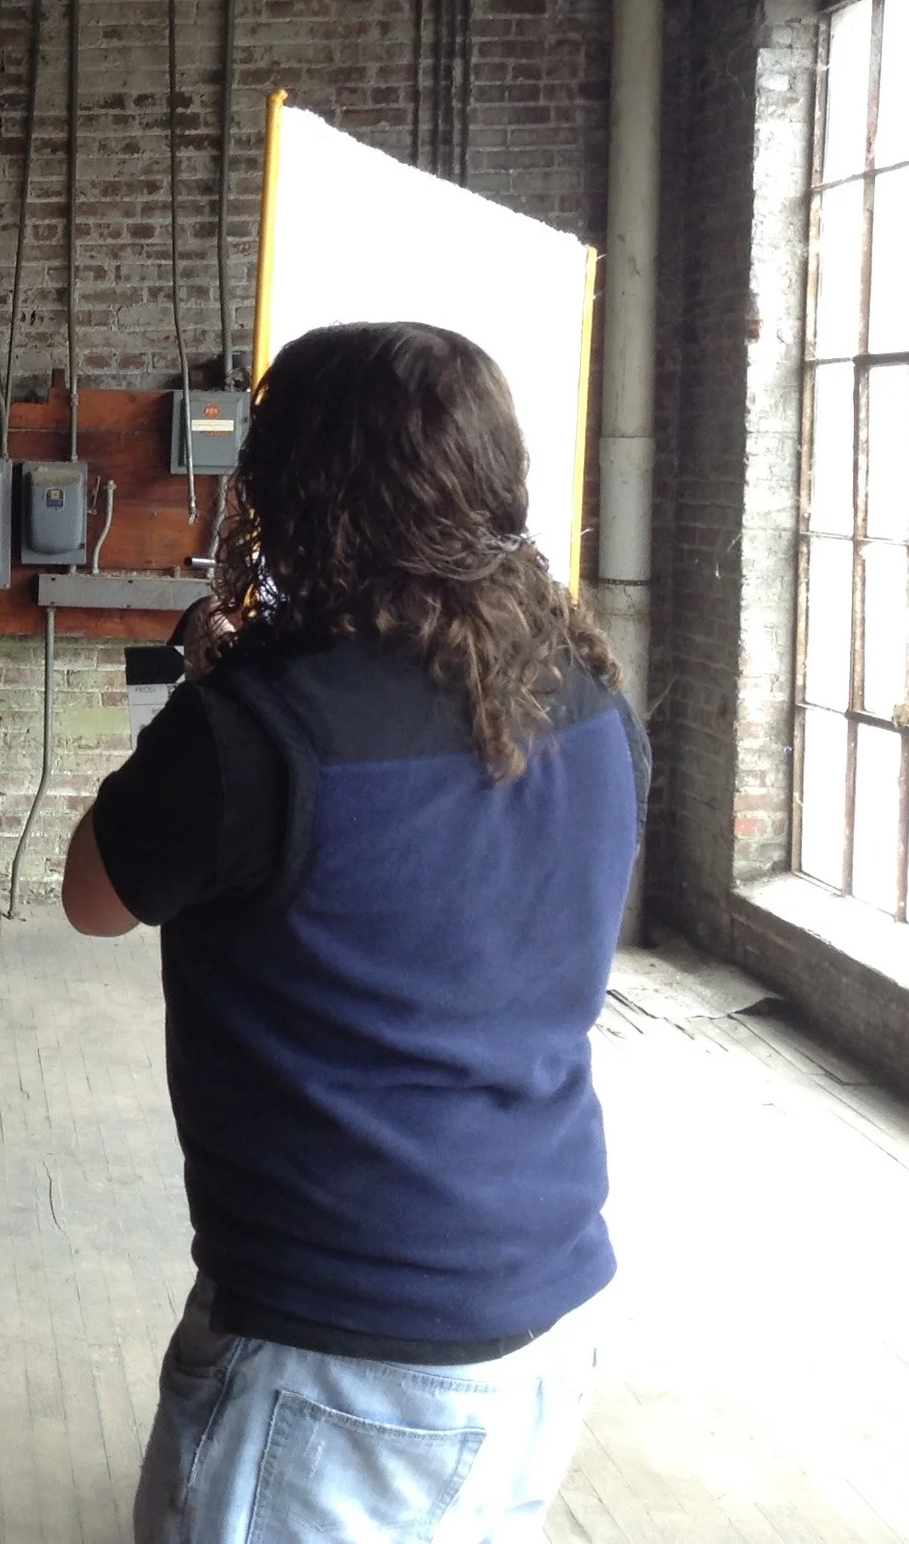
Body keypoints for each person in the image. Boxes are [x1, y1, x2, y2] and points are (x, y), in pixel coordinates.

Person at [60, 322, 647, 1544]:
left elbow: (92, 896)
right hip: (545, 1309)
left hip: (342, 1351)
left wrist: (206, 691)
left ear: (296, 492)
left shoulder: (254, 730)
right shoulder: (590, 695)